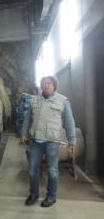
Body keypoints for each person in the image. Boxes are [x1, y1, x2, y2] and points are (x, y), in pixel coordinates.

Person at [20, 75, 76, 207]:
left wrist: (72, 140)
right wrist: (23, 133)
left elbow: (69, 122)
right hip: (35, 141)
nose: (46, 85)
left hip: (52, 141)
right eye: (43, 83)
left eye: (49, 83)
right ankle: (33, 194)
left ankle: (51, 196)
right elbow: (27, 119)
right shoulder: (34, 100)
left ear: (54, 85)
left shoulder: (63, 101)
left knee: (52, 170)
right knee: (33, 169)